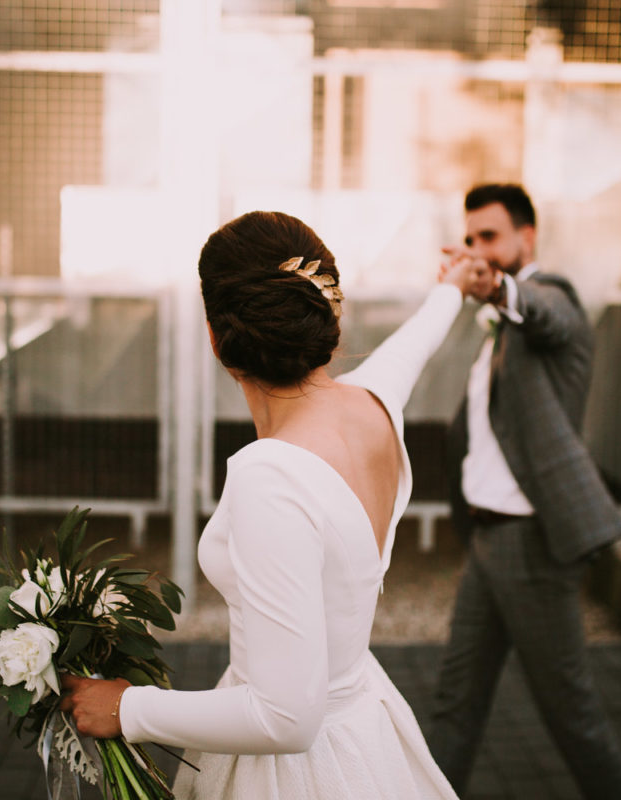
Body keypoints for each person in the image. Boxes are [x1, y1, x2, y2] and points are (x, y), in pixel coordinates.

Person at [62, 210, 472, 799]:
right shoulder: (373, 405)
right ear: (330, 312)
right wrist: (451, 290)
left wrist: (129, 708)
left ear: (214, 337)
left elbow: (286, 717)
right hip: (362, 730)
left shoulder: (271, 477)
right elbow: (415, 344)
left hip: (296, 773)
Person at [428, 183, 621, 799]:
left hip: (531, 541)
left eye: (489, 236)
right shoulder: (498, 330)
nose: (478, 249)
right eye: (470, 239)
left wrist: (494, 286)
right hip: (489, 540)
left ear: (528, 236)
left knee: (570, 714)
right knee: (454, 703)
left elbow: (547, 311)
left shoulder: (550, 300)